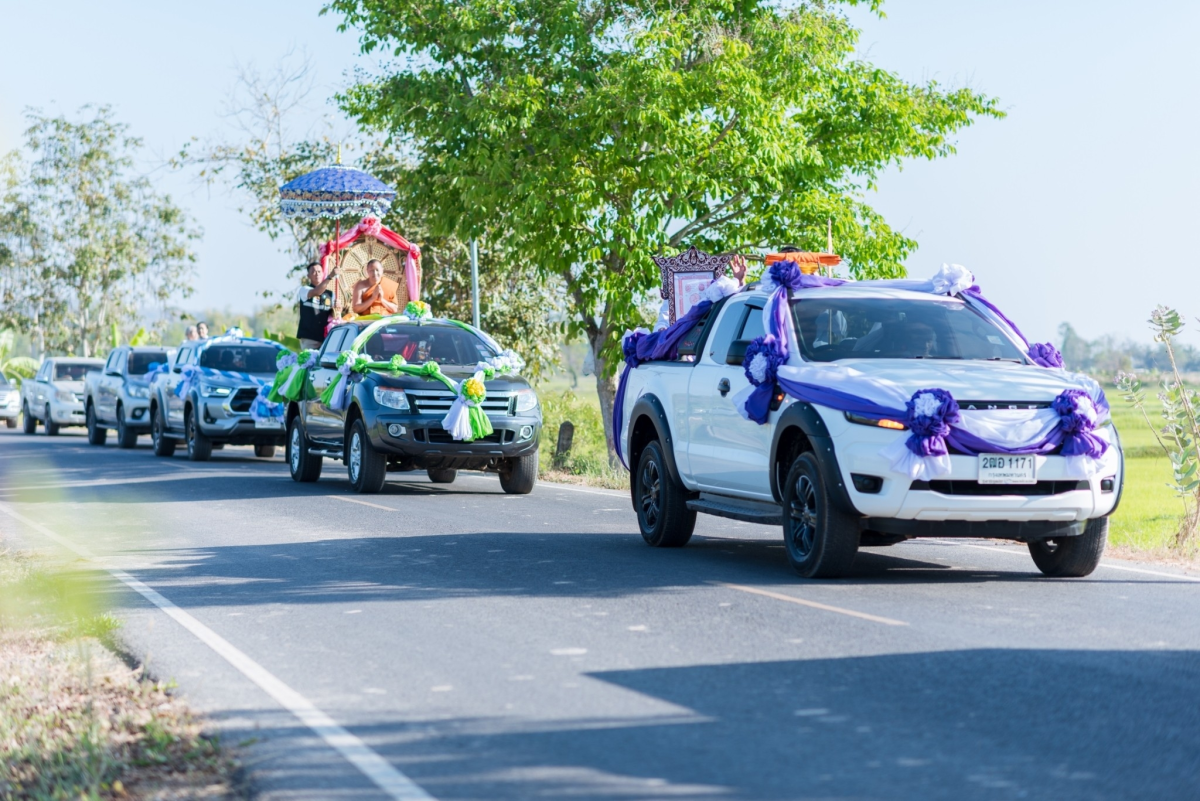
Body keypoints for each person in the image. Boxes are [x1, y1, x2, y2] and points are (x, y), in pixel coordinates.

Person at [296, 261, 339, 350]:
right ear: (308, 276)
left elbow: (334, 315)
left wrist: (338, 308)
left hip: (326, 337)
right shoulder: (304, 290)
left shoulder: (331, 294)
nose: (317, 274)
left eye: (319, 271)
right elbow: (317, 291)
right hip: (309, 337)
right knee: (309, 362)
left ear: (323, 273)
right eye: (313, 272)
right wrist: (330, 276)